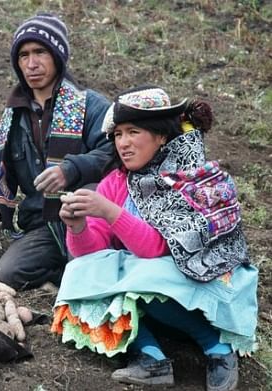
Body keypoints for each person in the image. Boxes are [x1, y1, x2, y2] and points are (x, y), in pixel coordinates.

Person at [51, 85, 259, 391]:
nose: (124, 143)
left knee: (143, 274)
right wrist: (78, 226)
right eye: (118, 134)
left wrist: (110, 212)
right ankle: (150, 357)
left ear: (161, 135)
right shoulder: (116, 182)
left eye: (133, 131)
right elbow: (91, 254)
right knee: (80, 274)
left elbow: (160, 248)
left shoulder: (191, 178)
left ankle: (217, 346)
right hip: (152, 283)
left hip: (203, 283)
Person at [0, 13, 112, 290]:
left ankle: (84, 272)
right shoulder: (12, 118)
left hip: (87, 218)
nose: (31, 63)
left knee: (95, 191)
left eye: (40, 52)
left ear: (58, 57)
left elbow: (114, 154)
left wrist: (71, 169)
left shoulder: (90, 105)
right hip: (44, 224)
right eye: (23, 55)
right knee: (8, 273)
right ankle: (67, 274)